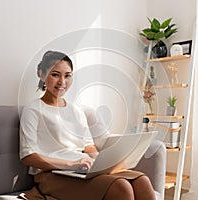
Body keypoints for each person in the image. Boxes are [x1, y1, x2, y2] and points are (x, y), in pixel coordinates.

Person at [19, 50, 156, 200]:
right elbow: (28, 156)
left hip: (82, 171)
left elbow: (88, 146)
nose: (62, 82)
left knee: (142, 181)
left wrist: (101, 162)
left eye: (68, 76)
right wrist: (71, 165)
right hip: (52, 175)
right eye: (55, 74)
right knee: (121, 187)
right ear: (41, 74)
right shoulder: (33, 110)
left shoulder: (75, 109)